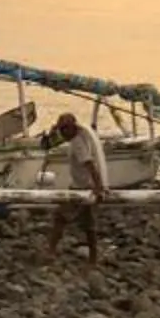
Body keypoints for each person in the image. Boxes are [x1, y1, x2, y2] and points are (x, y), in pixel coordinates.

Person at [45, 111, 111, 266]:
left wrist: (99, 187)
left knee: (60, 218)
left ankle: (50, 251)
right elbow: (48, 144)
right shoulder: (77, 136)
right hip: (82, 186)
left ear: (71, 128)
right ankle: (93, 257)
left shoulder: (78, 144)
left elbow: (89, 164)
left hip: (81, 188)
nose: (62, 133)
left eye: (64, 129)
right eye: (61, 129)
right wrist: (53, 132)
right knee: (88, 225)